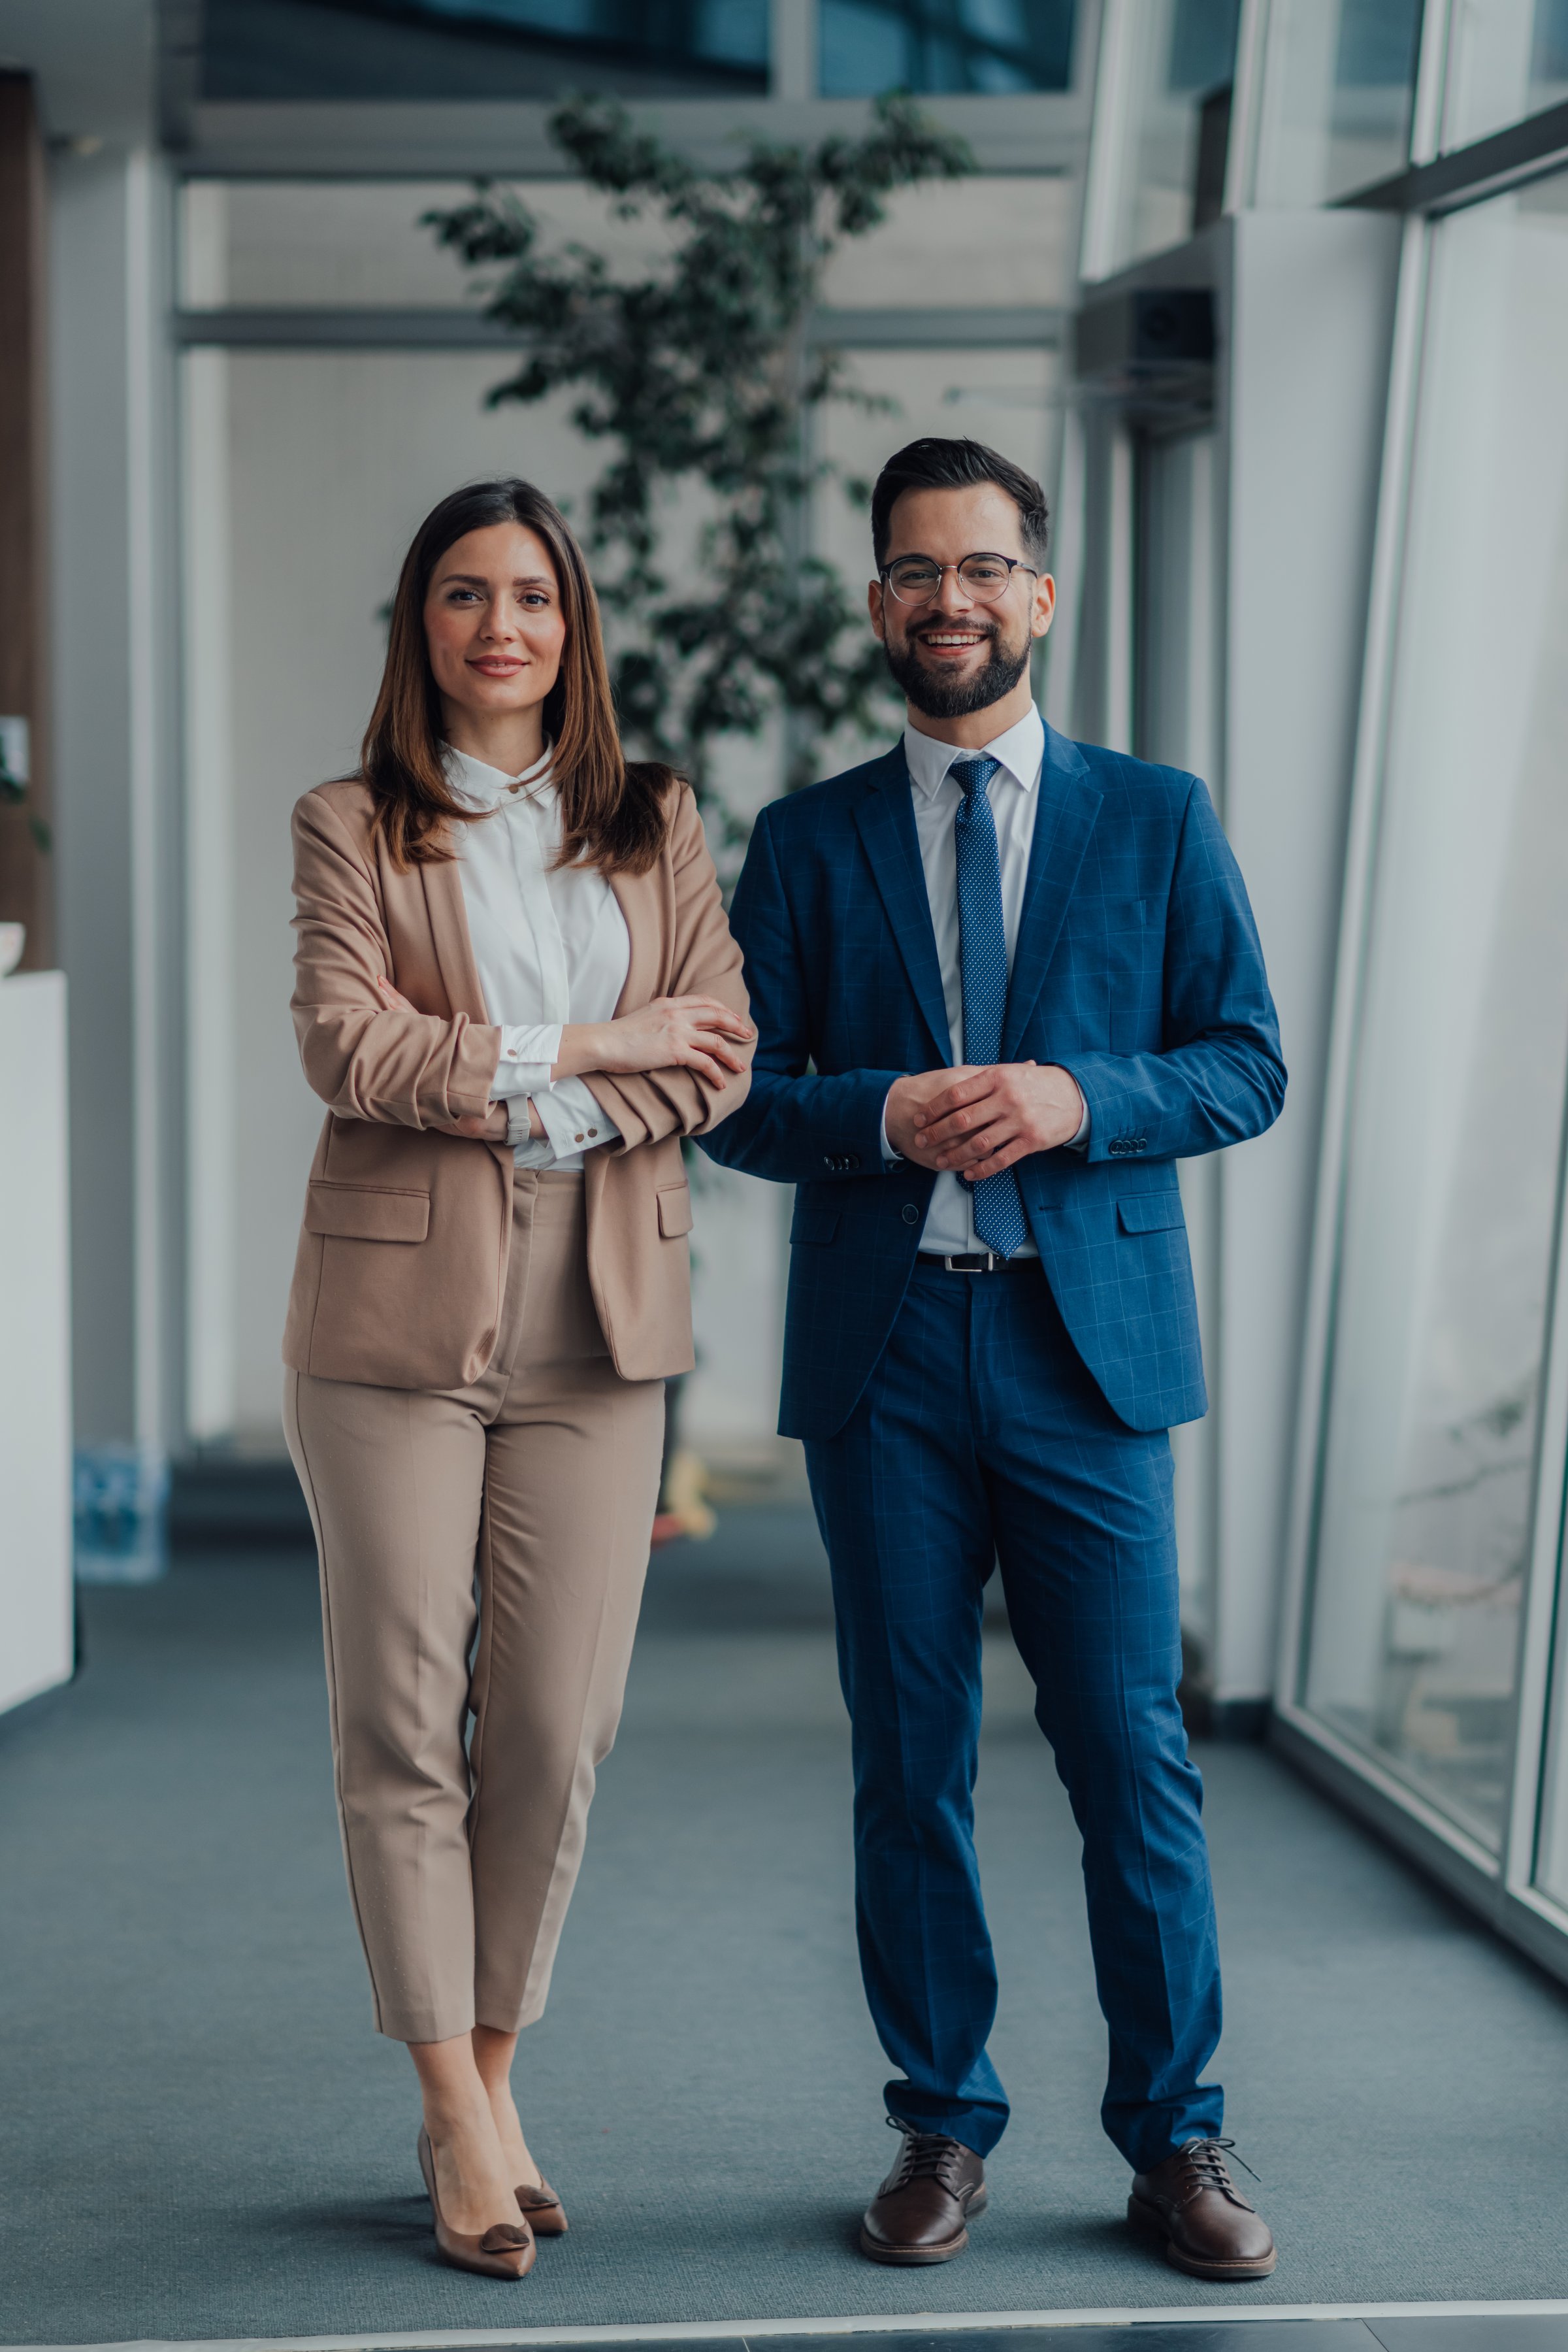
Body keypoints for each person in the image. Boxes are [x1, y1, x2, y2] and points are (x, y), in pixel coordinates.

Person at [698, 437, 1285, 2283]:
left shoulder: (1159, 818)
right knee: (911, 1760)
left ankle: (1178, 2142)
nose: (947, 599)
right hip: (887, 1365)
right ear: (878, 605)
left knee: (1130, 1757)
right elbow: (740, 1101)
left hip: (1081, 1357)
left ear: (1039, 590)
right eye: (912, 571)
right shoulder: (807, 839)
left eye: (981, 567)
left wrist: (1074, 1097)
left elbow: (1244, 1061)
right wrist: (878, 1113)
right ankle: (939, 2124)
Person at [282, 477, 753, 2280]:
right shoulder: (351, 825)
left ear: (576, 627)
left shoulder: (656, 819)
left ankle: (480, 2072)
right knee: (403, 1716)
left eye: (534, 596)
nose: (502, 627)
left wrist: (541, 1070)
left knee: (557, 1727)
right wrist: (591, 1042)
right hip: (397, 1319)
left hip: (602, 1310)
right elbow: (348, 1046)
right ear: (422, 624)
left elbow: (712, 1059)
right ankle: (460, 2117)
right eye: (466, 595)